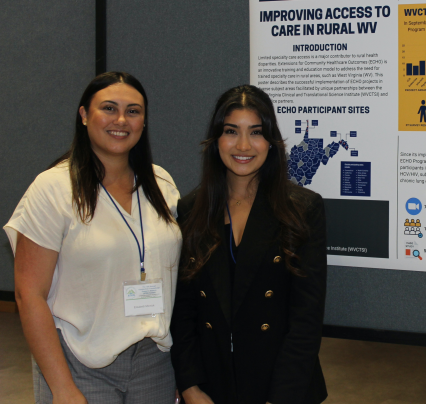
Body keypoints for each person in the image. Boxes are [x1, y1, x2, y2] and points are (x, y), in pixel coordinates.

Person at [5, 72, 182, 404]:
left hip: (154, 359)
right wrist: (62, 388)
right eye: (109, 108)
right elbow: (29, 295)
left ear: (144, 121)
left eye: (133, 111)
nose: (121, 120)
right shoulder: (53, 189)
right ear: (84, 115)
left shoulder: (161, 183)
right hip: (79, 361)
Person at [171, 85, 327, 404]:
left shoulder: (302, 209)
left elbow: (306, 320)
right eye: (231, 131)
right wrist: (190, 386)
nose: (243, 145)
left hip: (281, 386)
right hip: (212, 387)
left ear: (271, 142)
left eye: (255, 132)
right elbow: (183, 310)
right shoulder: (192, 210)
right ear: (216, 140)